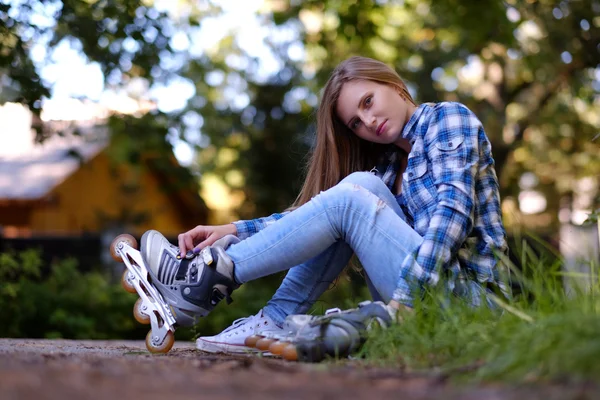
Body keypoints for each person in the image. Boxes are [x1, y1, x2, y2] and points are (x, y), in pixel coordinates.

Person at [139, 56, 509, 356]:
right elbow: (312, 218)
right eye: (356, 122)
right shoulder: (388, 169)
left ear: (393, 85)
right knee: (358, 187)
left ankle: (204, 280)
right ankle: (273, 315)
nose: (368, 122)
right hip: (421, 301)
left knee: (354, 194)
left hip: (470, 307)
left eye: (368, 102)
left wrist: (403, 305)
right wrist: (235, 229)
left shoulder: (447, 119)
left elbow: (452, 215)